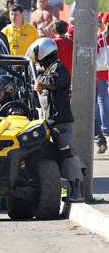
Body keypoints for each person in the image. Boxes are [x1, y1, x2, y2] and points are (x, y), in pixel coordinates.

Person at [27, 37, 85, 202]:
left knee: (68, 153)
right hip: (51, 120)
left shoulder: (59, 68)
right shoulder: (48, 70)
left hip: (61, 120)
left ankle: (76, 192)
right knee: (54, 153)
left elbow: (55, 81)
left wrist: (39, 81)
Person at [97, 14, 109, 136]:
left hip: (101, 70)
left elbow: (94, 49)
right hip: (104, 71)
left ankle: (105, 127)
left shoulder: (101, 37)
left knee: (102, 100)